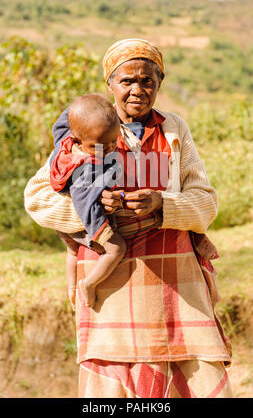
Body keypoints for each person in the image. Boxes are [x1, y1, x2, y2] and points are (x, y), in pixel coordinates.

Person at [24, 38, 233, 398]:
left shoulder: (174, 129)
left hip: (177, 287)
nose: (138, 90)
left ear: (159, 83)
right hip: (112, 292)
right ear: (110, 84)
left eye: (147, 81)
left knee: (198, 375)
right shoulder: (87, 126)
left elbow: (205, 202)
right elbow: (37, 199)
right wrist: (93, 209)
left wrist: (163, 205)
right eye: (127, 81)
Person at [49, 93, 126, 309]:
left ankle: (72, 291)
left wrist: (92, 106)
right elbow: (86, 205)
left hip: (63, 225)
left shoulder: (65, 141)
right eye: (99, 146)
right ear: (78, 141)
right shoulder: (89, 170)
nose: (109, 148)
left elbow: (62, 122)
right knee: (117, 249)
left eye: (113, 140)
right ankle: (89, 284)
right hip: (83, 221)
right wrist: (101, 232)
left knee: (72, 250)